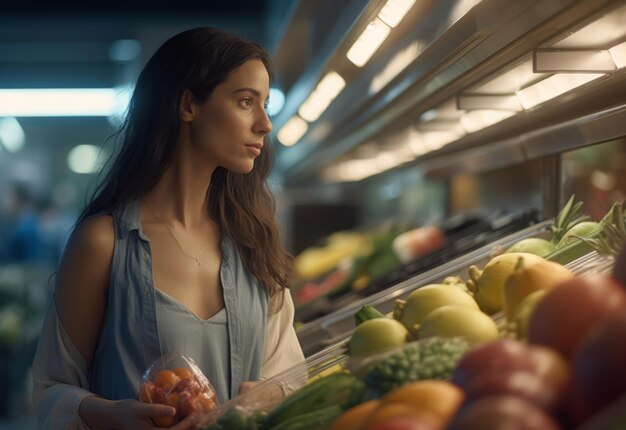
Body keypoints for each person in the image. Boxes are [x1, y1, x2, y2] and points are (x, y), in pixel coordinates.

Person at [31, 27, 306, 429]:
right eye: (246, 101)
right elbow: (49, 391)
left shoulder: (254, 244)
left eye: (264, 104)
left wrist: (271, 393)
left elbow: (292, 374)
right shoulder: (104, 244)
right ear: (188, 105)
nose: (264, 123)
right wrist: (109, 414)